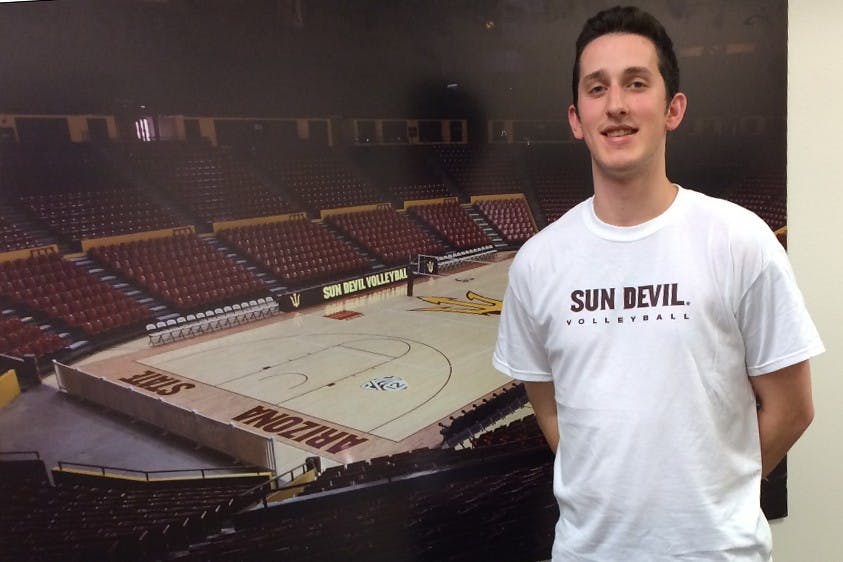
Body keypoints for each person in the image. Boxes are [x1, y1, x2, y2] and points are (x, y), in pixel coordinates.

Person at [492, 5, 823, 561]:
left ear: (673, 109)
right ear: (576, 117)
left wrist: (709, 494)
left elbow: (793, 409)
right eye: (597, 89)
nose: (616, 104)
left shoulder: (740, 241)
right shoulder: (537, 263)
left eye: (636, 83)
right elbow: (549, 408)